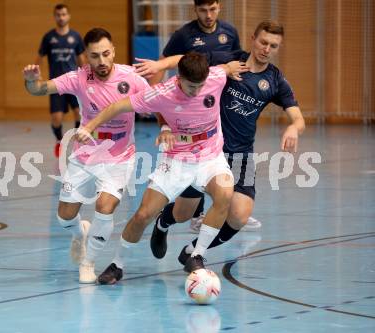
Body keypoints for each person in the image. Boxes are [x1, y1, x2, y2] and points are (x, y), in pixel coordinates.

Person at [143, 20, 305, 270]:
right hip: (206, 152)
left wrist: (294, 127)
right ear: (253, 39)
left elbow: (297, 117)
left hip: (240, 155)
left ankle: (193, 252)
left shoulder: (274, 80)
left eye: (273, 45)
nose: (266, 49)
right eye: (263, 42)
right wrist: (158, 65)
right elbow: (184, 59)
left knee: (239, 215)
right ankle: (162, 224)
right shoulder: (227, 60)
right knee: (184, 213)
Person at [76, 52, 238, 285]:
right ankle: (117, 265)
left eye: (200, 86)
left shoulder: (215, 77)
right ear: (179, 78)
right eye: (191, 86)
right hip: (176, 160)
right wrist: (89, 126)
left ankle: (197, 255)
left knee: (224, 195)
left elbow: (227, 68)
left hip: (210, 157)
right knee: (143, 214)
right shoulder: (162, 93)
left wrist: (233, 66)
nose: (196, 92)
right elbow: (117, 106)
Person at [23, 28, 150, 283]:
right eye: (95, 56)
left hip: (120, 156)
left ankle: (88, 261)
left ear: (113, 50)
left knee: (105, 207)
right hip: (85, 156)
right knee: (65, 216)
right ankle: (80, 234)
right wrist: (30, 80)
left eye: (105, 54)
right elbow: (38, 89)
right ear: (86, 57)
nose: (101, 61)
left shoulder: (132, 78)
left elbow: (158, 101)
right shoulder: (78, 78)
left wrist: (168, 128)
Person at [145, 0, 261, 232]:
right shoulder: (183, 36)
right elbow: (164, 65)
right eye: (202, 10)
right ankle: (194, 213)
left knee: (221, 157)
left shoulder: (229, 32)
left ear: (219, 7)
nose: (208, 15)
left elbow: (235, 65)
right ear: (195, 10)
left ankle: (228, 207)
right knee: (196, 164)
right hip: (190, 109)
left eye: (213, 9)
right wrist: (155, 105)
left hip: (219, 104)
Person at [35, 3, 86, 157]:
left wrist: (86, 78)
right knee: (56, 118)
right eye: (58, 15)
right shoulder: (49, 38)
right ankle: (59, 140)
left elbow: (81, 60)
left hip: (74, 84)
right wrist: (37, 76)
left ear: (68, 16)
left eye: (64, 14)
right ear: (55, 17)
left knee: (80, 113)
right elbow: (39, 58)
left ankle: (77, 142)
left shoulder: (76, 37)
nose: (61, 17)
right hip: (56, 85)